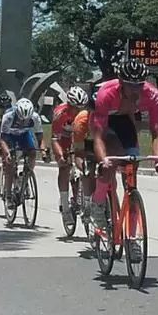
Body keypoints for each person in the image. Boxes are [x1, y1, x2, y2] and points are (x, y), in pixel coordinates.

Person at [90, 59, 158, 232]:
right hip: (105, 121)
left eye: (139, 85)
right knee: (111, 161)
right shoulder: (106, 93)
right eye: (131, 85)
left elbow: (157, 131)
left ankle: (131, 237)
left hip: (125, 120)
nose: (135, 90)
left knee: (131, 171)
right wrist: (103, 161)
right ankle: (98, 203)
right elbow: (99, 137)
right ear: (121, 82)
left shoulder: (152, 95)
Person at [51, 86, 90, 228]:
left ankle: (86, 203)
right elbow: (54, 139)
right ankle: (65, 206)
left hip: (80, 138)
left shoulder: (86, 114)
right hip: (63, 139)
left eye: (81, 108)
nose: (79, 111)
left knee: (87, 166)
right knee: (64, 167)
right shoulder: (59, 114)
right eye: (75, 108)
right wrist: (61, 155)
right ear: (69, 105)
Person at [0, 97, 46, 210]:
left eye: (26, 120)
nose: (24, 122)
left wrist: (44, 152)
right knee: (10, 164)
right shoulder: (8, 117)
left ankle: (25, 175)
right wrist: (7, 154)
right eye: (21, 119)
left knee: (32, 152)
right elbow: (2, 140)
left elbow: (40, 138)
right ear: (16, 112)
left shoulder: (35, 118)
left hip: (24, 135)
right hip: (10, 136)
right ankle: (8, 195)